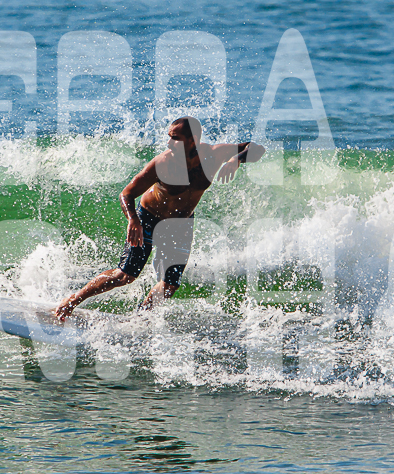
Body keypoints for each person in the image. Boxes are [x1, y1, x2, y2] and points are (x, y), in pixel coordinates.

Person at [54, 117, 265, 321]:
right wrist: (133, 220)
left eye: (176, 138)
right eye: (169, 137)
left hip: (181, 223)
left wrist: (236, 159)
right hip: (149, 218)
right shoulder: (163, 163)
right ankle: (73, 300)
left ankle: (139, 319)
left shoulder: (213, 154)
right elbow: (126, 194)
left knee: (170, 284)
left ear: (193, 141)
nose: (169, 143)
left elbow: (257, 149)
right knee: (125, 276)